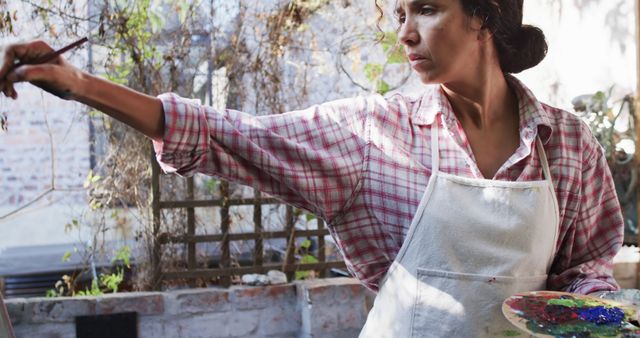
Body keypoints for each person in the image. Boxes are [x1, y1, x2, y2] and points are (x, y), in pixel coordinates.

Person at [0, 0, 624, 336]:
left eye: (426, 10)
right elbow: (232, 135)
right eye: (399, 15)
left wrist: (597, 320)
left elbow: (586, 269)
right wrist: (81, 85)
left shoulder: (566, 143)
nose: (404, 33)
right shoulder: (372, 135)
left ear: (483, 17)